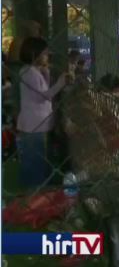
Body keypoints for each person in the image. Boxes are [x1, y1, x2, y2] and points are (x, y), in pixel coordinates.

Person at [16, 37, 71, 188]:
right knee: (34, 162)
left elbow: (43, 90)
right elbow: (43, 96)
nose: (47, 56)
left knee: (38, 159)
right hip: (34, 125)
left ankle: (35, 189)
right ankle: (33, 191)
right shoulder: (29, 72)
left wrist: (46, 72)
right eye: (45, 54)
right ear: (36, 54)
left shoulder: (32, 71)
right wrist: (60, 82)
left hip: (37, 124)